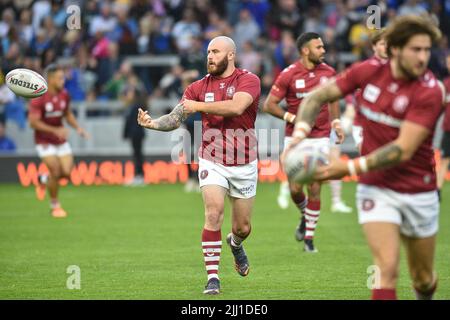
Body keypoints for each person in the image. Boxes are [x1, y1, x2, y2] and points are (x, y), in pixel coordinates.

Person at [285, 16, 443, 300]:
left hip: (418, 189)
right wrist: (299, 135)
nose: (423, 57)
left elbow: (401, 149)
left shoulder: (430, 90)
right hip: (377, 188)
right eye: (415, 49)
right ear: (395, 49)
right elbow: (314, 98)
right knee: (386, 268)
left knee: (422, 278)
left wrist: (347, 167)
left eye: (427, 50)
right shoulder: (367, 71)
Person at [137, 36, 260, 295]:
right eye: (208, 52)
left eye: (215, 52)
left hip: (244, 162)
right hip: (211, 158)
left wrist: (198, 106)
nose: (209, 56)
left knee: (242, 228)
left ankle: (235, 244)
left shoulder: (248, 79)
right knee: (213, 214)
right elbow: (176, 116)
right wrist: (154, 124)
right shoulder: (197, 87)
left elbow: (237, 107)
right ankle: (213, 278)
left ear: (230, 55)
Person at [262, 32, 344, 252]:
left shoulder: (329, 72)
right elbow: (269, 104)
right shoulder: (289, 74)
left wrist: (336, 121)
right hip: (295, 138)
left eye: (323, 46)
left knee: (315, 186)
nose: (323, 51)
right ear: (305, 50)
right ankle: (304, 214)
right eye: (319, 47)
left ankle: (309, 240)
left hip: (320, 137)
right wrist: (291, 117)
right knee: (295, 189)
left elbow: (334, 97)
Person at [29, 64, 89, 218]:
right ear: (50, 79)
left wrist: (78, 128)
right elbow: (33, 122)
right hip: (44, 141)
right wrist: (55, 130)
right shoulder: (38, 97)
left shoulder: (64, 95)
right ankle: (55, 205)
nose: (63, 81)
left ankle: (43, 179)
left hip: (60, 140)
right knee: (55, 171)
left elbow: (67, 113)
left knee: (67, 173)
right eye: (60, 78)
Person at [437, 53, 450, 198]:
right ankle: (438, 191)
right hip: (448, 129)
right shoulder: (445, 83)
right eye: (447, 62)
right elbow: (440, 107)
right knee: (445, 159)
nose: (448, 65)